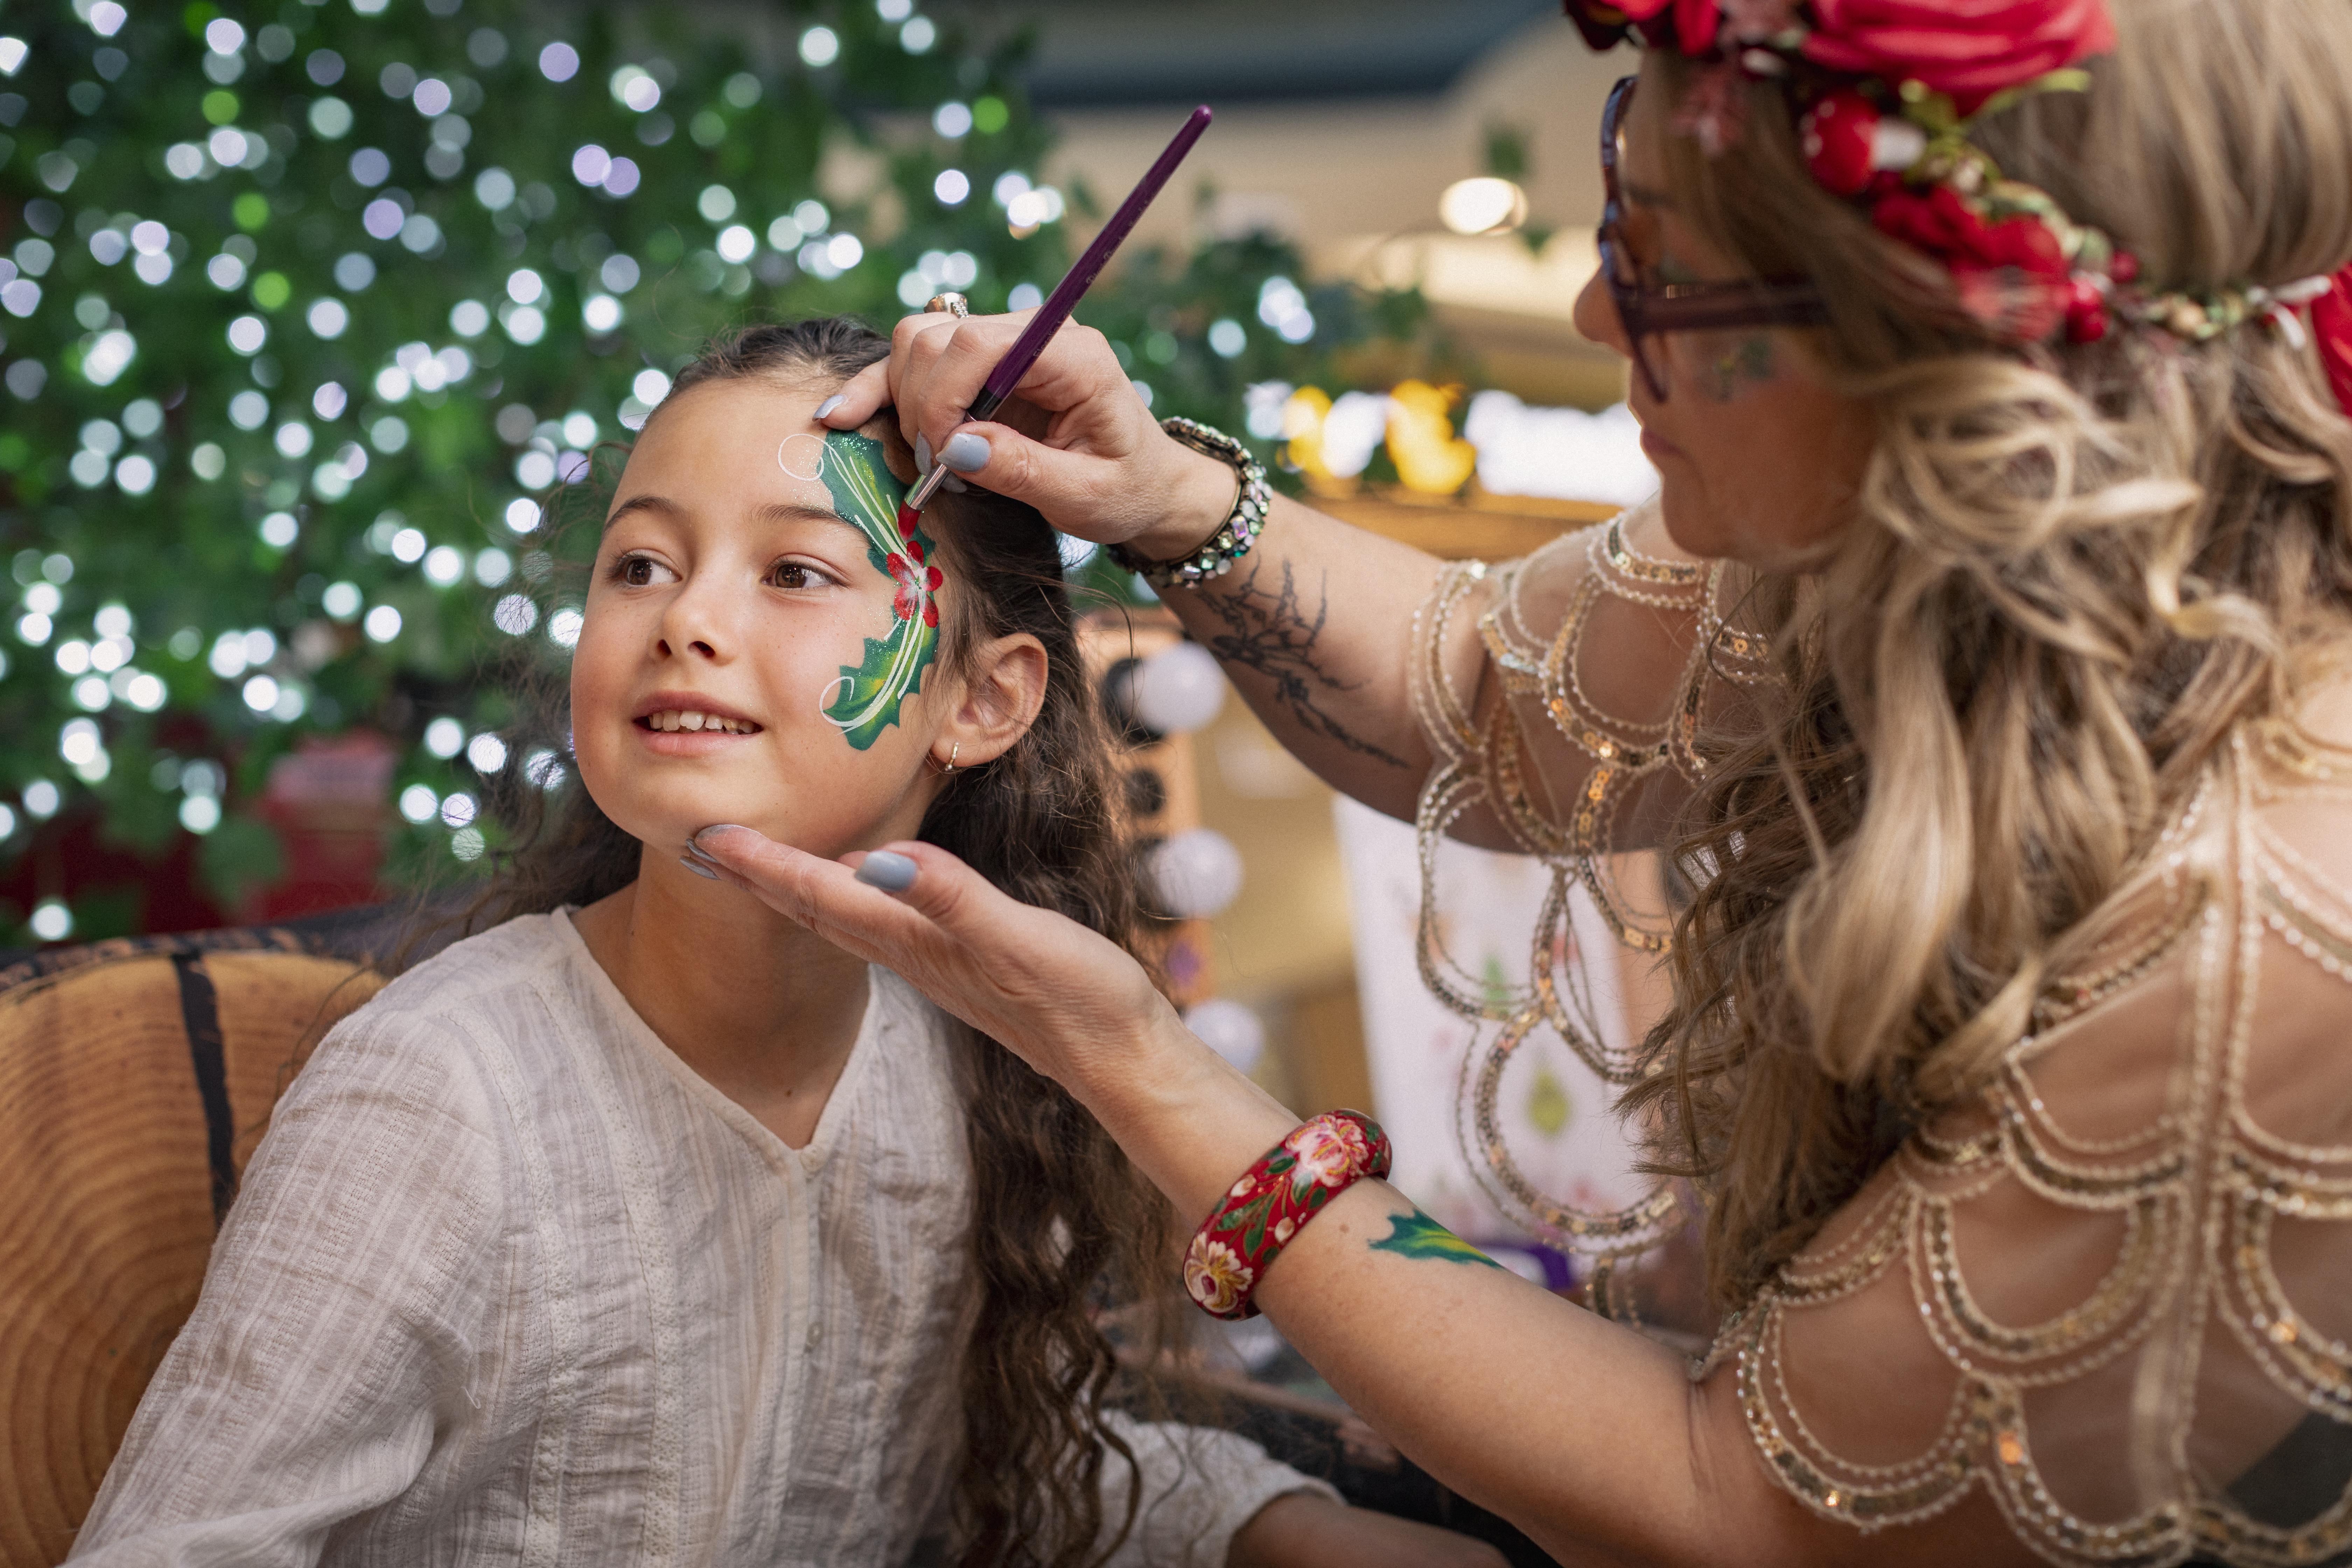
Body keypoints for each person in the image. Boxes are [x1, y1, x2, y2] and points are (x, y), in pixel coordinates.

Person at [688, 2, 2352, 1563]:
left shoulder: (2280, 911)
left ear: (1934, 362)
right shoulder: (1889, 547)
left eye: (1662, 267)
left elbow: (1743, 1508)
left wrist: (1140, 1062)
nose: (1589, 312)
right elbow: (1484, 692)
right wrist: (1169, 496)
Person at [69, 318, 1499, 1568]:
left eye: (799, 574)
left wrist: (1282, 1527)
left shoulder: (960, 1068)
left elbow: (1002, 1476)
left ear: (985, 701)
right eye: (638, 564)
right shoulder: (439, 1097)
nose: (685, 618)